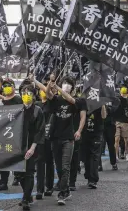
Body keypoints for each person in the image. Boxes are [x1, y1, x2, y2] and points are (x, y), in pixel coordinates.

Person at [46, 75, 84, 205]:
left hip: (68, 138)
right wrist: (49, 84)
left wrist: (56, 87)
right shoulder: (56, 99)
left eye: (69, 84)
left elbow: (70, 99)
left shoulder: (76, 101)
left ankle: (62, 194)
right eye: (64, 83)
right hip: (55, 138)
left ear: (73, 88)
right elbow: (48, 94)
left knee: (66, 166)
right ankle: (66, 190)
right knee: (59, 167)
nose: (66, 85)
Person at [15, 84, 45, 210]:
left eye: (29, 93)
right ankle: (28, 195)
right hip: (17, 146)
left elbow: (40, 131)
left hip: (32, 146)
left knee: (29, 172)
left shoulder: (38, 110)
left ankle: (25, 198)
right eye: (23, 93)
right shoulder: (17, 109)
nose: (26, 95)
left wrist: (32, 148)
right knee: (18, 174)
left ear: (34, 96)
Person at [0, 78, 23, 191]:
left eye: (9, 85)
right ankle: (3, 182)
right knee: (3, 157)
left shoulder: (18, 99)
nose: (6, 87)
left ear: (13, 87)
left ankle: (17, 177)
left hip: (15, 132)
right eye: (4, 85)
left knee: (15, 156)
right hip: (3, 133)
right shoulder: (1, 102)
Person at [82, 104, 107, 189]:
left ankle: (93, 180)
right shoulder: (84, 102)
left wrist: (102, 105)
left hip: (97, 133)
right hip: (85, 133)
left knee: (95, 156)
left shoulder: (99, 102)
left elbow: (104, 116)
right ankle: (88, 176)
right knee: (86, 156)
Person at [69, 89, 87, 191]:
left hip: (74, 133)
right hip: (60, 134)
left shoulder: (80, 101)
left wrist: (79, 130)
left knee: (74, 158)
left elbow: (83, 117)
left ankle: (72, 181)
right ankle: (62, 181)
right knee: (61, 161)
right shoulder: (59, 100)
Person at [114, 86, 128, 162]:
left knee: (126, 139)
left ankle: (127, 153)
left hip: (125, 121)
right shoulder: (117, 100)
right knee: (116, 139)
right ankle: (116, 155)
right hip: (117, 121)